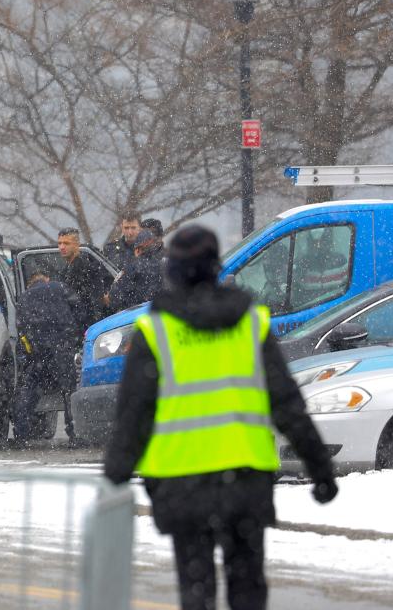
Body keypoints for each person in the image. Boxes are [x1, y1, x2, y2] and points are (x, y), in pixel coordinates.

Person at [103, 225, 338, 610]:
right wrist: (319, 467)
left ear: (172, 271)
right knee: (247, 587)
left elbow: (133, 413)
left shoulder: (156, 329)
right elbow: (286, 403)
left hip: (181, 482)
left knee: (196, 591)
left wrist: (115, 473)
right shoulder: (249, 324)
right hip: (244, 478)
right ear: (216, 267)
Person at [13, 271, 81, 446]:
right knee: (68, 392)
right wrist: (74, 334)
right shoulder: (59, 287)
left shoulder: (24, 296)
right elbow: (78, 306)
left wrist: (29, 353)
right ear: (47, 279)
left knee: (27, 391)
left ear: (30, 284)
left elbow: (20, 327)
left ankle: (21, 435)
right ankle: (74, 434)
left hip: (38, 353)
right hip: (62, 348)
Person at [57, 228, 108, 329]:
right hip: (76, 323)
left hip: (87, 325)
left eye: (66, 243)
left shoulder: (86, 267)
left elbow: (93, 301)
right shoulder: (66, 269)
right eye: (59, 243)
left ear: (76, 244)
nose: (62, 247)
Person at [107, 229, 164, 313]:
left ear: (137, 250)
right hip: (161, 313)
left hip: (136, 316)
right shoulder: (165, 265)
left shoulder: (131, 267)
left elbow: (115, 296)